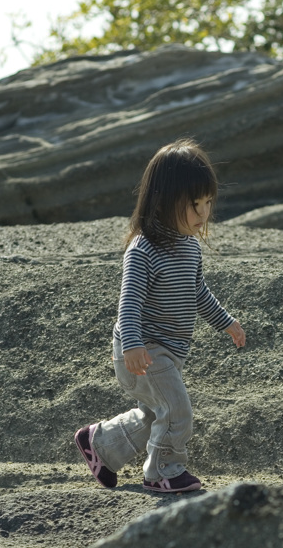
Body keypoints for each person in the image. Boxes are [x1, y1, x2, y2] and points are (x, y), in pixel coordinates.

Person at [74, 138, 246, 493]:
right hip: (144, 352)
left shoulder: (189, 247)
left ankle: (101, 444)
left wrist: (225, 321)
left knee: (155, 414)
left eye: (208, 203)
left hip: (167, 352)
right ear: (163, 202)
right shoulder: (143, 249)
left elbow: (198, 292)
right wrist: (133, 345)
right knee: (178, 411)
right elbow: (129, 302)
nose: (203, 214)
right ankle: (163, 471)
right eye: (193, 205)